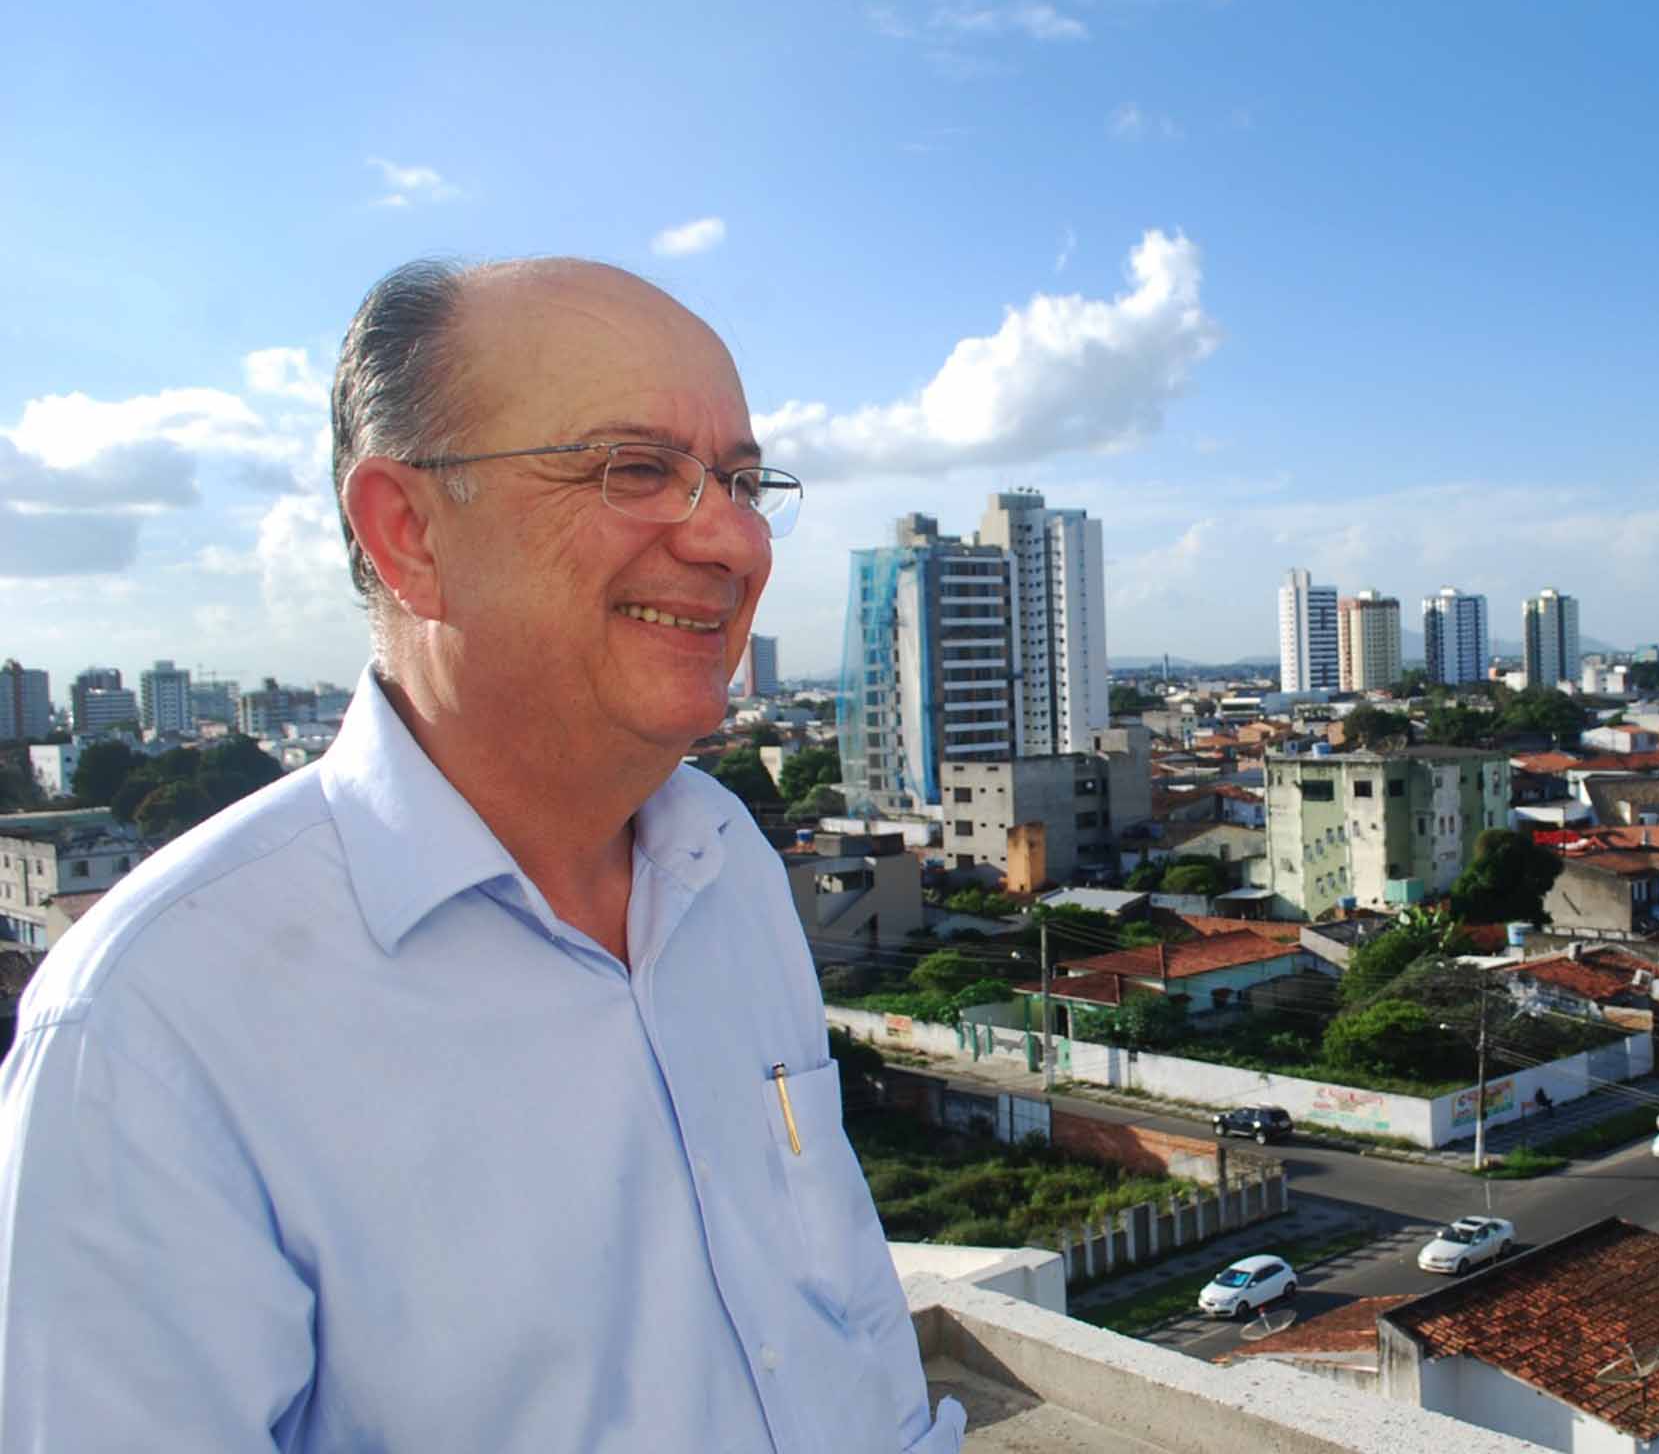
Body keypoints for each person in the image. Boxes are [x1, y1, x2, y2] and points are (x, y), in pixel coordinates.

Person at [0, 259, 965, 1452]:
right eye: (636, 469)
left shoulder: (729, 866)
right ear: (408, 533)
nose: (732, 538)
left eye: (745, 480)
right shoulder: (154, 1027)